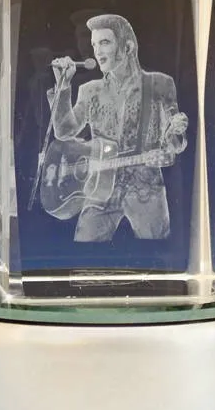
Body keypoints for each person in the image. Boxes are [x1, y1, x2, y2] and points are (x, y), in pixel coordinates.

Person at [48, 14, 188, 242]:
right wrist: (63, 86)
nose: (97, 51)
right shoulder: (90, 90)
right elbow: (64, 132)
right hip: (99, 189)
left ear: (128, 47)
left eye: (104, 42)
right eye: (94, 45)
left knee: (156, 251)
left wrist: (175, 132)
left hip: (145, 189)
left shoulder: (160, 84)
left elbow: (174, 143)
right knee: (85, 251)